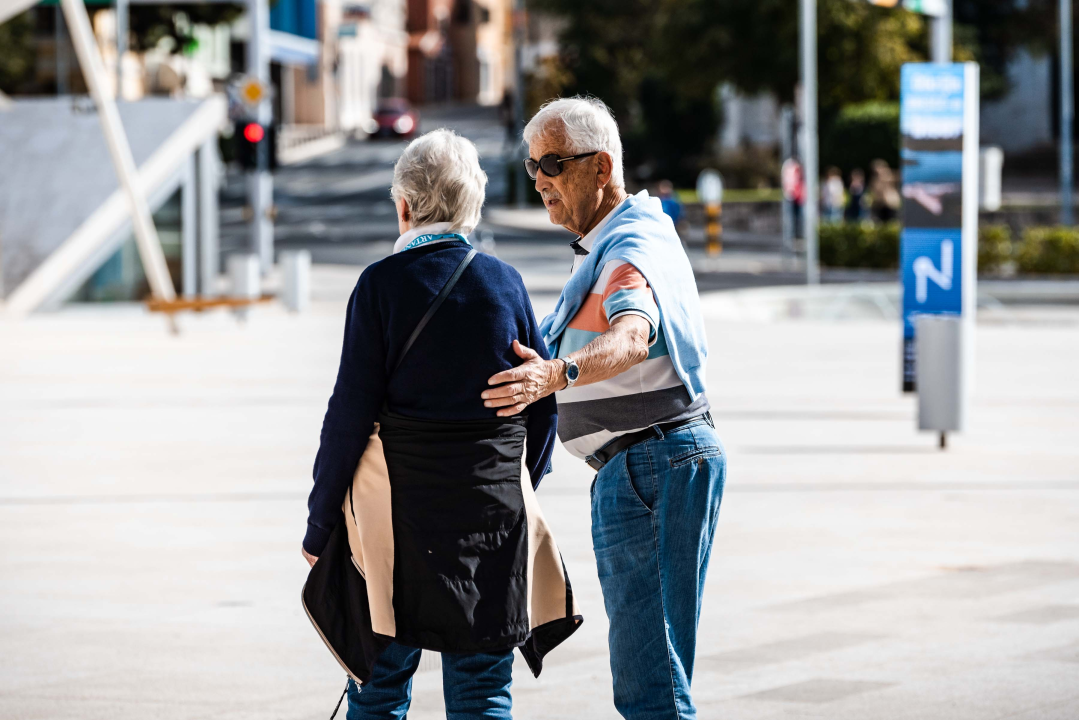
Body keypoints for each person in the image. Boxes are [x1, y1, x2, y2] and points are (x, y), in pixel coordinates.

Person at [302, 129, 581, 720]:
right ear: (471, 206)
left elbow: (348, 416)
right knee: (483, 694)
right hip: (490, 528)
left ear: (404, 206)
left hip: (397, 532)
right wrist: (511, 485)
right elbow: (542, 409)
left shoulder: (380, 286)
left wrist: (320, 525)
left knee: (378, 691)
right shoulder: (504, 283)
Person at [480, 97, 726, 720]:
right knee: (658, 675)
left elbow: (632, 336)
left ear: (602, 167)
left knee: (650, 686)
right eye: (533, 165)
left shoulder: (626, 253)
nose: (540, 179)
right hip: (656, 461)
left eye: (554, 163)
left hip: (649, 464)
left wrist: (556, 374)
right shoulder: (615, 243)